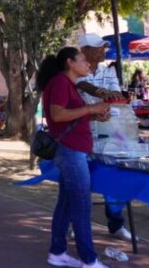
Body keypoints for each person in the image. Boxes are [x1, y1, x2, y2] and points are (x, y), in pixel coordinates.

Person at [37, 46, 114, 268]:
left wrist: (94, 115)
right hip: (70, 151)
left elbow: (70, 117)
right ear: (70, 62)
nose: (88, 64)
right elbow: (57, 114)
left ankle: (57, 252)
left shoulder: (67, 84)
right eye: (83, 59)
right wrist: (91, 109)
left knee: (67, 204)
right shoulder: (61, 83)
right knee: (81, 205)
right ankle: (89, 260)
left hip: (73, 149)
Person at [76, 32, 132, 242]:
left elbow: (115, 96)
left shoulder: (109, 71)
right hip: (82, 134)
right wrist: (102, 94)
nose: (102, 51)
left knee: (114, 179)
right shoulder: (76, 71)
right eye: (97, 47)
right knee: (81, 182)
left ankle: (116, 223)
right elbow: (83, 87)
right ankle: (77, 223)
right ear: (85, 51)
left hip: (109, 131)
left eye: (103, 47)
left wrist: (107, 99)